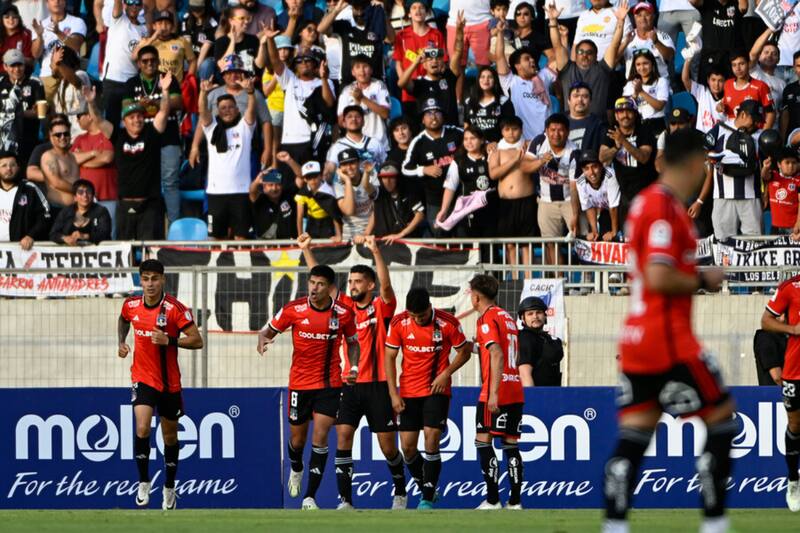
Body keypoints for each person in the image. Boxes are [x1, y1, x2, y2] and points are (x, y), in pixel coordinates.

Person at [603, 128, 735, 532]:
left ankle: (615, 524)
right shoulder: (665, 208)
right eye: (706, 162)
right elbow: (659, 277)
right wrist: (703, 277)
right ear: (695, 161)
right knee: (722, 419)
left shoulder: (644, 203)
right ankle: (714, 522)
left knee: (636, 432)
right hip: (668, 339)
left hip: (637, 339)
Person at [298, 233, 408, 509]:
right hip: (348, 386)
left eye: (358, 281)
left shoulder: (382, 307)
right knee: (343, 437)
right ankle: (346, 500)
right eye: (350, 282)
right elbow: (322, 285)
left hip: (379, 385)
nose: (353, 285)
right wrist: (307, 249)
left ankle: (400, 491)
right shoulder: (344, 308)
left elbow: (386, 286)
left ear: (369, 285)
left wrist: (375, 251)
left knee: (388, 447)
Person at [256, 264, 360, 510]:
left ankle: (309, 497)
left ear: (330, 288)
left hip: (329, 384)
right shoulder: (294, 309)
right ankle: (296, 467)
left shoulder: (343, 313)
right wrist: (262, 340)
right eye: (312, 283)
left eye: (320, 284)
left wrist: (353, 367)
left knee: (321, 436)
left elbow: (353, 343)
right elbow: (267, 331)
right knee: (297, 440)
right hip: (300, 385)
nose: (314, 288)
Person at [118, 259, 204, 511]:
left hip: (169, 383)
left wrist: (170, 339)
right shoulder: (131, 304)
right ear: (140, 280)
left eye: (155, 278)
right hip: (143, 377)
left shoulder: (175, 309)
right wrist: (121, 342)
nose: (150, 284)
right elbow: (123, 319)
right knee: (142, 426)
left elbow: (197, 340)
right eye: (145, 279)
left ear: (163, 280)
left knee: (169, 436)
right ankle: (144, 482)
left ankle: (169, 486)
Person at [385, 286, 472, 510]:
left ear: (430, 308)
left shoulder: (447, 323)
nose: (417, 319)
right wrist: (393, 394)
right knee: (408, 448)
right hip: (408, 392)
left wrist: (446, 373)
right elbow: (390, 357)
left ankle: (426, 497)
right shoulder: (398, 323)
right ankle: (429, 489)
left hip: (436, 390)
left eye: (421, 315)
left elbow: (464, 351)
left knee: (431, 439)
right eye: (413, 315)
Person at [468, 274, 525, 510]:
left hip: (496, 392)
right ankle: (515, 502)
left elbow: (497, 354)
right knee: (511, 445)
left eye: (470, 293)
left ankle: (492, 500)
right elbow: (511, 354)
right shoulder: (507, 318)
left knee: (483, 441)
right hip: (515, 388)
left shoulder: (486, 318)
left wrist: (493, 393)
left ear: (476, 296)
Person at [102, 72, 174, 240]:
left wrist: (165, 91)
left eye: (140, 116)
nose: (137, 120)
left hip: (149, 204)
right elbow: (98, 121)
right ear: (124, 120)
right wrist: (91, 102)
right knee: (124, 252)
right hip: (125, 203)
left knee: (151, 252)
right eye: (132, 117)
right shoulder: (118, 135)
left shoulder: (152, 133)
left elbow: (163, 112)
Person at [123, 46, 183, 225]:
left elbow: (178, 102)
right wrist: (141, 106)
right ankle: (151, 226)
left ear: (158, 61)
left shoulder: (168, 78)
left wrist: (154, 102)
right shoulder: (131, 83)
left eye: (153, 60)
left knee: (170, 182)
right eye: (145, 61)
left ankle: (174, 228)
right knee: (147, 183)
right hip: (143, 138)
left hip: (168, 136)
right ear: (139, 64)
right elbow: (126, 109)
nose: (149, 64)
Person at [265, 29, 335, 171]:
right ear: (295, 65)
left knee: (311, 185)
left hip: (312, 141)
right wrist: (270, 40)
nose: (304, 63)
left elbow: (329, 103)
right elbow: (275, 61)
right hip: (289, 141)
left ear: (315, 64)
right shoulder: (289, 80)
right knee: (289, 185)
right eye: (300, 61)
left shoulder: (324, 82)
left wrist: (324, 79)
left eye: (308, 61)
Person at [199, 75, 257, 240]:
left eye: (231, 107)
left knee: (242, 240)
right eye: (223, 108)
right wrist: (203, 93)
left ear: (237, 110)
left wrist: (251, 93)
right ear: (218, 111)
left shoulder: (244, 128)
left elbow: (251, 112)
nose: (227, 110)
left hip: (241, 194)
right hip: (216, 194)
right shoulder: (211, 129)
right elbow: (203, 112)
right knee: (217, 240)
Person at [761, 274, 800, 511]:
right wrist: (793, 328)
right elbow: (766, 321)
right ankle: (793, 479)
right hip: (796, 371)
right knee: (795, 426)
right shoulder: (790, 287)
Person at [548, 2, 626, 120]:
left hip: (597, 127)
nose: (584, 55)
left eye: (589, 53)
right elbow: (557, 45)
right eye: (580, 52)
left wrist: (620, 22)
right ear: (576, 54)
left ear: (596, 56)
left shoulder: (602, 69)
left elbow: (614, 45)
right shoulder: (567, 69)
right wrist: (553, 21)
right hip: (570, 127)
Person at [402, 98, 462, 235]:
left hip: (460, 195)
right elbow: (405, 168)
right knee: (440, 237)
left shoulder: (456, 133)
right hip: (435, 200)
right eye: (428, 113)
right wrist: (424, 169)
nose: (433, 117)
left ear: (443, 116)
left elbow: (476, 139)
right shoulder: (418, 141)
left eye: (436, 112)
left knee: (463, 236)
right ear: (422, 119)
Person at [705, 99, 763, 240]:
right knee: (723, 243)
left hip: (751, 196)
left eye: (758, 120)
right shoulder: (719, 129)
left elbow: (764, 168)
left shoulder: (760, 135)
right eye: (753, 119)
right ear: (743, 114)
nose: (756, 123)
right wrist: (712, 158)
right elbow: (703, 149)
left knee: (754, 243)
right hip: (722, 196)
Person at [525, 113, 578, 258]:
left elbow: (574, 187)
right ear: (546, 131)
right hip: (546, 202)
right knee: (550, 244)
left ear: (567, 132)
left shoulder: (574, 151)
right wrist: (541, 161)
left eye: (560, 130)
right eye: (552, 130)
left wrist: (575, 213)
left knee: (581, 240)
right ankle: (558, 279)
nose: (556, 134)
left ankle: (587, 279)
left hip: (568, 201)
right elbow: (524, 167)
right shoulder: (538, 142)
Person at [489, 115, 536, 268]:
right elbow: (494, 174)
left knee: (526, 244)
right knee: (509, 244)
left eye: (515, 129)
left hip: (527, 199)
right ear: (501, 131)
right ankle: (515, 281)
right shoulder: (496, 150)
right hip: (505, 204)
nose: (511, 133)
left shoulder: (529, 146)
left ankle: (529, 281)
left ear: (521, 130)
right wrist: (514, 160)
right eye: (507, 129)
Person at [599, 97, 656, 222]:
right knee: (628, 235)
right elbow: (602, 157)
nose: (625, 115)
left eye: (629, 111)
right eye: (620, 112)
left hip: (647, 192)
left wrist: (623, 141)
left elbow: (644, 157)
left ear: (635, 114)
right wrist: (616, 147)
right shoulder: (611, 132)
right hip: (625, 194)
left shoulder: (644, 130)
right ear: (616, 115)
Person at [495, 26, 556, 141]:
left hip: (548, 140)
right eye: (527, 59)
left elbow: (557, 60)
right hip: (524, 142)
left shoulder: (543, 76)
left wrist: (553, 24)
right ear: (517, 66)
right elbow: (499, 57)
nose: (532, 60)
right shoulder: (511, 82)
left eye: (533, 59)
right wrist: (499, 33)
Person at [71, 85, 117, 235]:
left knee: (110, 237)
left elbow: (107, 157)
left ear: (89, 115)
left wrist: (83, 159)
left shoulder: (107, 134)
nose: (77, 121)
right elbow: (73, 160)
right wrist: (93, 153)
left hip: (107, 197)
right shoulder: (79, 138)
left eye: (79, 116)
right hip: (84, 201)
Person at [436, 127, 495, 238]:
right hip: (469, 211)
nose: (469, 142)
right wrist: (443, 210)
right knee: (474, 247)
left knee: (492, 248)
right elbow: (450, 187)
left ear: (482, 140)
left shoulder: (492, 156)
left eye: (473, 138)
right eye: (466, 139)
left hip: (492, 208)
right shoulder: (459, 161)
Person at [398, 30, 463, 127]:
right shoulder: (419, 83)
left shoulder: (449, 78)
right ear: (424, 65)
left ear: (442, 62)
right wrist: (416, 62)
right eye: (430, 59)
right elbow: (401, 83)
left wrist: (459, 31)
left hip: (451, 132)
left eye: (438, 59)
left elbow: (458, 52)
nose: (434, 61)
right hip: (429, 134)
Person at [392, 0, 446, 117]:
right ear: (409, 13)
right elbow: (398, 63)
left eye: (421, 7)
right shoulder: (401, 36)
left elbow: (443, 62)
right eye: (414, 8)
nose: (418, 10)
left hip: (431, 91)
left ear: (426, 12)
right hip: (409, 93)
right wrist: (404, 82)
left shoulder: (436, 34)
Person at [100, 0, 147, 130]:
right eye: (130, 2)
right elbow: (117, 6)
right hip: (113, 79)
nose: (134, 6)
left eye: (137, 3)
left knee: (131, 122)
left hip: (132, 81)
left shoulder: (144, 29)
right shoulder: (119, 19)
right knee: (111, 123)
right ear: (124, 4)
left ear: (141, 7)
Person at [31, 0, 87, 102]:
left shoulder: (77, 22)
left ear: (65, 2)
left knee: (70, 114)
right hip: (48, 76)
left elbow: (76, 45)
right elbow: (35, 54)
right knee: (47, 115)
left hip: (69, 74)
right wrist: (39, 36)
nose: (57, 1)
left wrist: (59, 33)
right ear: (47, 3)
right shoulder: (41, 24)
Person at [336, 55, 391, 150]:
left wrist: (363, 98)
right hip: (355, 145)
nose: (362, 71)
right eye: (357, 67)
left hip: (379, 143)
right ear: (353, 72)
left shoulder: (379, 86)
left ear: (371, 70)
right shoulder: (346, 90)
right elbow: (341, 122)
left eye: (365, 66)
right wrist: (355, 106)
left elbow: (385, 113)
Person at [0, 48, 44, 166]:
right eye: (12, 66)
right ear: (5, 66)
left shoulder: (35, 83)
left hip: (28, 139)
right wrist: (23, 112)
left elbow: (41, 113)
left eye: (20, 65)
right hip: (3, 141)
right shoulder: (0, 82)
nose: (17, 69)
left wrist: (13, 112)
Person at [0, 150, 50, 250]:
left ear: (18, 167)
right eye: (4, 166)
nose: (9, 169)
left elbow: (45, 215)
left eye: (12, 165)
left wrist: (31, 235)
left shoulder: (30, 189)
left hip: (22, 250)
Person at [325, 104, 386, 181]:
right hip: (348, 189)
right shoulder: (337, 147)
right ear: (344, 123)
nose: (353, 119)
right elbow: (329, 171)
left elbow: (385, 166)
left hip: (374, 188)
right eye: (349, 117)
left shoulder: (375, 143)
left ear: (363, 121)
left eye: (357, 116)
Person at [367, 162, 425, 241]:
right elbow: (366, 186)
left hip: (405, 242)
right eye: (384, 177)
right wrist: (366, 233)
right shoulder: (379, 193)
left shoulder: (409, 192)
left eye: (391, 177)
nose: (387, 181)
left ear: (398, 178)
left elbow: (420, 214)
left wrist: (401, 234)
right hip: (383, 241)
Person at [136, 10, 196, 84]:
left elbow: (192, 61)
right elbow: (135, 57)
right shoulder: (146, 41)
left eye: (167, 23)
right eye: (160, 23)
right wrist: (152, 38)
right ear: (154, 26)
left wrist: (188, 80)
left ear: (173, 26)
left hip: (175, 87)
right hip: (154, 87)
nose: (163, 27)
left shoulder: (182, 41)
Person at [621, 2, 675, 80]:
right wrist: (625, 43)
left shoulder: (662, 36)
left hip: (659, 83)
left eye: (647, 15)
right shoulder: (628, 36)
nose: (643, 18)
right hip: (633, 84)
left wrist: (656, 42)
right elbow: (615, 59)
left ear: (653, 16)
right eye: (639, 15)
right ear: (634, 18)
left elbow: (670, 56)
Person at [575, 149, 621, 241]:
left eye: (594, 167)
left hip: (621, 210)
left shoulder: (610, 176)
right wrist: (594, 231)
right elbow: (589, 207)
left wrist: (614, 232)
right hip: (606, 212)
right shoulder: (580, 182)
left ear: (601, 166)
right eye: (586, 168)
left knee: (618, 238)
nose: (591, 172)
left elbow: (614, 207)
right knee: (602, 237)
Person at [517, 296, 563, 387]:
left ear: (545, 315)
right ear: (523, 318)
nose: (535, 316)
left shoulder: (548, 339)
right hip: (537, 395)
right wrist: (532, 398)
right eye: (530, 314)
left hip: (552, 393)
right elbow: (524, 374)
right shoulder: (525, 338)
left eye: (539, 312)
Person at [333, 148, 379, 240]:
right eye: (344, 164)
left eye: (352, 163)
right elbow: (349, 211)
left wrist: (366, 233)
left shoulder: (371, 175)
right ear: (340, 168)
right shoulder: (337, 184)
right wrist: (347, 181)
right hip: (349, 234)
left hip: (372, 232)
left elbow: (377, 208)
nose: (349, 167)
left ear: (359, 163)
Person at [722, 50, 775, 130]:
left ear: (748, 63)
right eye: (734, 65)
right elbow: (725, 106)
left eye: (741, 64)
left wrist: (763, 134)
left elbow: (771, 113)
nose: (738, 68)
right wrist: (720, 106)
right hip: (731, 130)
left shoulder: (761, 86)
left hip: (753, 132)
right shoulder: (727, 84)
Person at [696, 0, 747, 82]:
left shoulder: (735, 3)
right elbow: (693, 2)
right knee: (706, 88)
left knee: (731, 89)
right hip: (710, 55)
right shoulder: (706, 3)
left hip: (730, 56)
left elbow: (744, 7)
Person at [49, 179, 111, 244]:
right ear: (75, 197)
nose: (85, 195)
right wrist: (65, 238)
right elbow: (53, 234)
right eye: (80, 192)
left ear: (93, 196)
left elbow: (105, 235)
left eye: (88, 191)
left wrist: (85, 236)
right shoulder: (66, 212)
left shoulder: (101, 211)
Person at [622, 49, 668, 137]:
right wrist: (635, 94)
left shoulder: (661, 81)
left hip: (657, 124)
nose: (642, 68)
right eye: (638, 64)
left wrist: (641, 92)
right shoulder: (630, 84)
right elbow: (625, 108)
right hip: (637, 124)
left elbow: (659, 106)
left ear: (652, 64)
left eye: (645, 63)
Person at [463, 65, 514, 143]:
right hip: (476, 147)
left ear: (495, 80)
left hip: (497, 146)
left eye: (490, 77)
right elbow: (466, 126)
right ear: (478, 80)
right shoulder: (469, 101)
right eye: (482, 77)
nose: (486, 80)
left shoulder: (504, 102)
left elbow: (509, 128)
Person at [295, 160, 342, 241]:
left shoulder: (329, 191)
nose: (313, 180)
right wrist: (300, 235)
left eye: (315, 176)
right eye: (309, 177)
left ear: (320, 176)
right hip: (312, 221)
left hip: (327, 222)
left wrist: (339, 235)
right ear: (305, 179)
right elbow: (300, 216)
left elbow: (334, 214)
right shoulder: (302, 193)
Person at [41, 114, 80, 210]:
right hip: (57, 209)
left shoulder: (72, 156)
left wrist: (94, 153)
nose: (63, 137)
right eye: (58, 135)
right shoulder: (48, 156)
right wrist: (80, 191)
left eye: (66, 134)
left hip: (76, 208)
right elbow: (56, 182)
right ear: (51, 136)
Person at [681, 55, 726, 133]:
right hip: (701, 137)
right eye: (713, 80)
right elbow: (685, 79)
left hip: (720, 140)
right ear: (708, 80)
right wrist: (687, 60)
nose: (716, 84)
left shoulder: (729, 96)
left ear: (725, 81)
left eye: (720, 80)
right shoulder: (702, 91)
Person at [761, 148, 800, 236]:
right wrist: (765, 168)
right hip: (775, 227)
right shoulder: (774, 176)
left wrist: (799, 223)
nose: (791, 166)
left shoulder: (798, 180)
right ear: (779, 164)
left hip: (793, 227)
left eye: (794, 163)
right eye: (787, 162)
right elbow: (764, 175)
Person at [249, 168, 296, 239]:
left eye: (277, 185)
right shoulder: (260, 199)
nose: (274, 188)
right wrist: (256, 182)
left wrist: (288, 160)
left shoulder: (288, 195)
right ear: (264, 187)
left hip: (288, 244)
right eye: (270, 185)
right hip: (264, 245)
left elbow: (300, 180)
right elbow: (252, 192)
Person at [182, 0, 219, 82]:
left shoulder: (213, 22)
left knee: (206, 65)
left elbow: (204, 49)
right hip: (191, 56)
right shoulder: (186, 18)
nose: (195, 12)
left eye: (198, 9)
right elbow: (187, 43)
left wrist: (195, 69)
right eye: (193, 9)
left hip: (207, 57)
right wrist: (192, 63)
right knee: (181, 62)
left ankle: (202, 89)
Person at [749, 29, 785, 111]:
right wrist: (770, 29)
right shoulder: (753, 71)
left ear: (778, 60)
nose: (769, 56)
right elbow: (752, 54)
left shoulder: (782, 84)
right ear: (759, 56)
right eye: (766, 52)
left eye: (774, 53)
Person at [566, 82, 606, 152]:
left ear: (590, 101)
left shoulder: (599, 124)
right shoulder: (558, 122)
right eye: (576, 96)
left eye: (585, 96)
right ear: (568, 101)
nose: (580, 100)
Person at [654, 107, 693, 173]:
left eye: (681, 123)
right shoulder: (665, 136)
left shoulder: (696, 137)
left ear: (688, 124)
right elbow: (659, 168)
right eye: (673, 123)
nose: (677, 127)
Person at [0, 3, 33, 73]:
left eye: (14, 16)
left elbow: (31, 61)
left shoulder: (26, 34)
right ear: (1, 19)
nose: (11, 19)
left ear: (19, 18)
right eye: (7, 17)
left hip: (22, 74)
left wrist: (13, 58)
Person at [781, 52, 800, 142]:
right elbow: (785, 115)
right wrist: (783, 139)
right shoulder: (789, 89)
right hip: (793, 135)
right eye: (799, 66)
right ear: (794, 68)